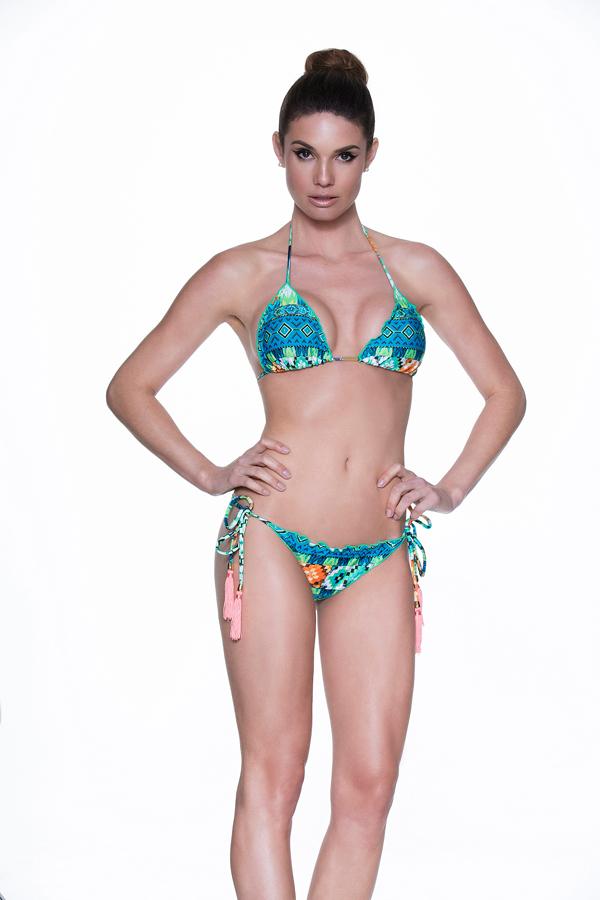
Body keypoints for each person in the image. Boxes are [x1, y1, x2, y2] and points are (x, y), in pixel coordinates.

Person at [106, 47, 526, 900]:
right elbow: (130, 387)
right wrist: (211, 471)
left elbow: (505, 393)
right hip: (270, 536)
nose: (323, 177)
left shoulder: (415, 268)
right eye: (304, 153)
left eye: (343, 155)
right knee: (277, 774)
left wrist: (448, 488)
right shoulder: (243, 272)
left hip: (379, 550)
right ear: (278, 151)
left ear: (371, 155)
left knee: (368, 789)